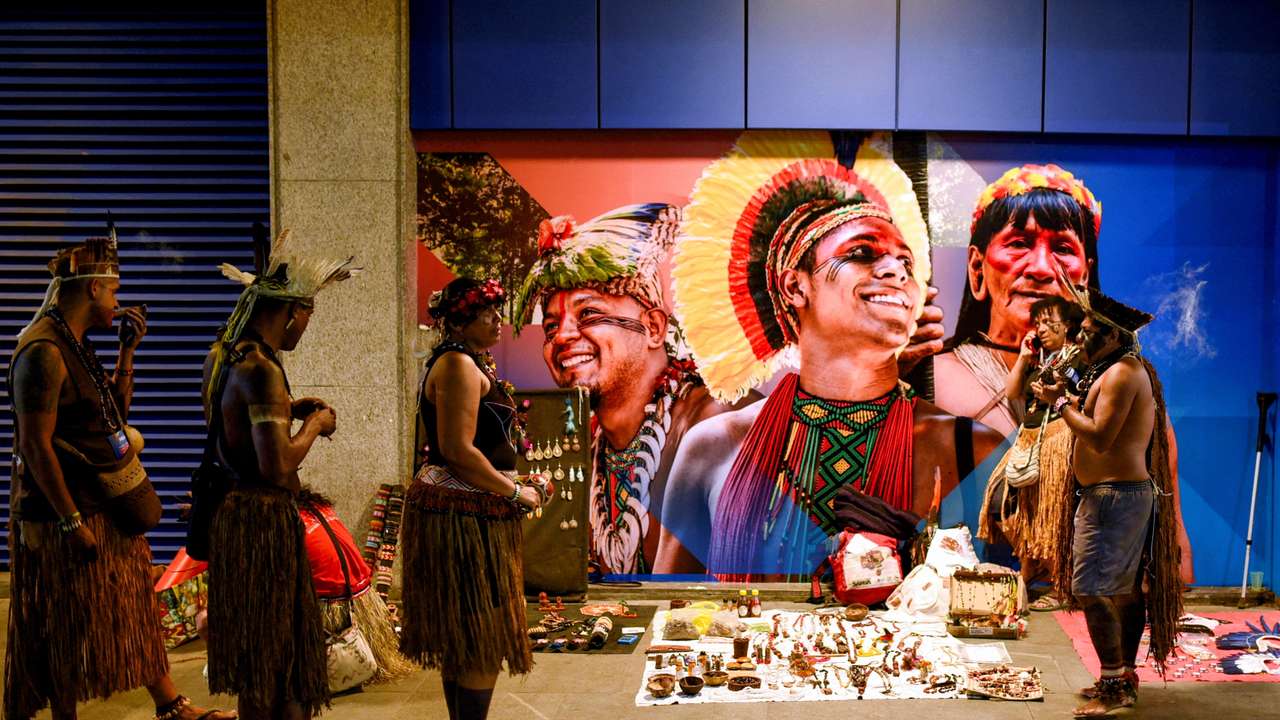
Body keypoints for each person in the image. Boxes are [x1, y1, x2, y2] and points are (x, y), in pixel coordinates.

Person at [654, 131, 1003, 577]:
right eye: (861, 253)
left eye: (906, 263)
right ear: (795, 286)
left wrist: (918, 561)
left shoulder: (973, 449)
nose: (896, 271)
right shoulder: (714, 447)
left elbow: (1008, 603)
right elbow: (669, 604)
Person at [6, 235, 234, 720]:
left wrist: (127, 353)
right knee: (65, 624)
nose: (118, 301)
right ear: (93, 288)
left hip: (101, 507)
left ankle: (170, 705)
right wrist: (71, 522)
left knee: (129, 605)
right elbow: (34, 445)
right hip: (65, 515)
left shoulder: (75, 344)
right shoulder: (43, 352)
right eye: (114, 291)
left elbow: (111, 416)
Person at [513, 204, 743, 576]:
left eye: (588, 314)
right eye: (551, 326)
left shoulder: (716, 421)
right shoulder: (585, 448)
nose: (562, 337)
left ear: (653, 328)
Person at [202, 229, 359, 719]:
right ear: (292, 311)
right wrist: (315, 424)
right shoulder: (263, 370)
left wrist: (288, 409)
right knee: (281, 663)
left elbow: (236, 422)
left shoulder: (224, 354)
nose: (305, 327)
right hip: (264, 523)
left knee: (262, 658)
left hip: (237, 515)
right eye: (308, 315)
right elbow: (277, 465)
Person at [400, 278, 550, 720]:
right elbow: (457, 450)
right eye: (488, 313)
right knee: (480, 632)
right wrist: (515, 491)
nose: (498, 320)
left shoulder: (468, 362)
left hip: (469, 513)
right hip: (463, 518)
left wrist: (516, 482)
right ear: (460, 321)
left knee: (466, 636)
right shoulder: (458, 366)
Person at [1030, 285, 1182, 716]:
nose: (1080, 337)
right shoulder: (1119, 370)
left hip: (1114, 499)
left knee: (1092, 589)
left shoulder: (1121, 374)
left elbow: (1099, 436)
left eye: (1089, 331)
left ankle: (1114, 685)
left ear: (1113, 335)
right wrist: (1067, 393)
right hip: (1117, 496)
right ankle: (1120, 677)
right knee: (1123, 592)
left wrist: (1060, 401)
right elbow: (1096, 415)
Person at [934, 163, 1099, 436]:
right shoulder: (929, 383)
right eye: (1019, 244)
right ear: (977, 268)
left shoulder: (1117, 381)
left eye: (1062, 248)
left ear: (1084, 276)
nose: (1041, 269)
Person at [978, 295, 1085, 610]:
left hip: (1058, 438)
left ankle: (1059, 583)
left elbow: (1085, 397)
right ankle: (1030, 566)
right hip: (1029, 438)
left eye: (1049, 322)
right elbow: (1012, 392)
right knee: (1003, 503)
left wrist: (1058, 398)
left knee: (1049, 514)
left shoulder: (1078, 359)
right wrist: (1024, 357)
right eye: (1038, 323)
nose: (1041, 329)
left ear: (1068, 325)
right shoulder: (1042, 361)